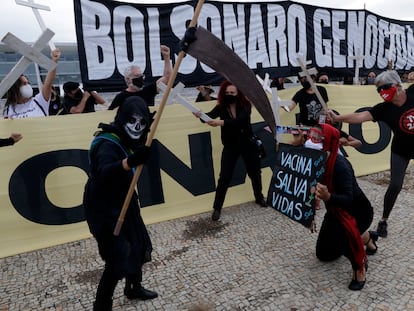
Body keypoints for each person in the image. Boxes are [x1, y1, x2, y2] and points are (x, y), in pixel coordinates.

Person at [83, 96, 157, 310]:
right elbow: (103, 172)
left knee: (137, 243)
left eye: (143, 123)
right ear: (123, 118)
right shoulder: (107, 142)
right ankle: (102, 305)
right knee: (117, 257)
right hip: (103, 205)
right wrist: (130, 161)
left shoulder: (130, 139)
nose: (137, 127)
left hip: (125, 197)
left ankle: (133, 287)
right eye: (133, 120)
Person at [328, 70, 414, 238]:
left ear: (397, 85)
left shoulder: (412, 93)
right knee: (395, 185)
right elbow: (360, 116)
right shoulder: (384, 109)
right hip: (401, 150)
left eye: (385, 88)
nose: (382, 93)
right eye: (378, 90)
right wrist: (338, 118)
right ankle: (383, 220)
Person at [302, 123, 377, 291]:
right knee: (324, 254)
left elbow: (348, 198)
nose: (314, 153)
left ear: (328, 146)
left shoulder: (340, 166)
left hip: (357, 211)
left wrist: (328, 196)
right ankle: (366, 238)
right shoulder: (319, 160)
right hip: (335, 210)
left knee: (342, 238)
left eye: (318, 150)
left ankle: (359, 267)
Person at [193, 80, 267, 221]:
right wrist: (200, 115)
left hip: (248, 144)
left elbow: (240, 121)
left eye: (232, 92)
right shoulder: (221, 107)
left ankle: (259, 197)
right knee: (224, 177)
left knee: (255, 173)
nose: (229, 95)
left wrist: (221, 122)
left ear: (238, 93)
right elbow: (209, 118)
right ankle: (217, 208)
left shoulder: (246, 105)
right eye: (227, 93)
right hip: (230, 146)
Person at [108, 45, 172, 110]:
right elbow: (109, 113)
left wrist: (166, 57)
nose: (140, 78)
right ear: (128, 79)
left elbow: (167, 78)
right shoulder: (121, 97)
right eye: (137, 76)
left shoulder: (149, 90)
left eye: (141, 76)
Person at [2, 48, 61, 119]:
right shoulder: (8, 110)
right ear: (15, 88)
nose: (27, 86)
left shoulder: (39, 101)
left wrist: (54, 61)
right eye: (24, 83)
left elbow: (48, 83)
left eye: (27, 83)